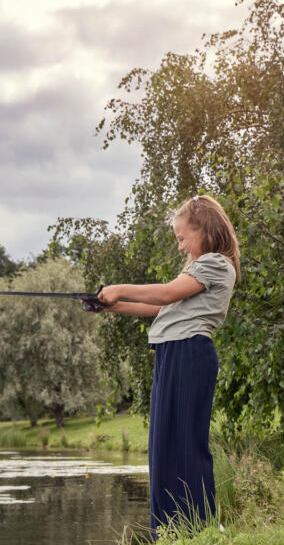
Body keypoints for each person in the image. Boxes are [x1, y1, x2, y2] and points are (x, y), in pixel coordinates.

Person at [95, 194, 239, 535]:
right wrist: (110, 306)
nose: (179, 246)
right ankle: (169, 531)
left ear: (204, 230)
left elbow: (164, 295)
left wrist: (118, 288)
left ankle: (198, 529)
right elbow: (161, 309)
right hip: (172, 354)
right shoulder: (196, 268)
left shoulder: (215, 264)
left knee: (186, 446)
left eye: (181, 237)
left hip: (190, 354)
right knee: (162, 448)